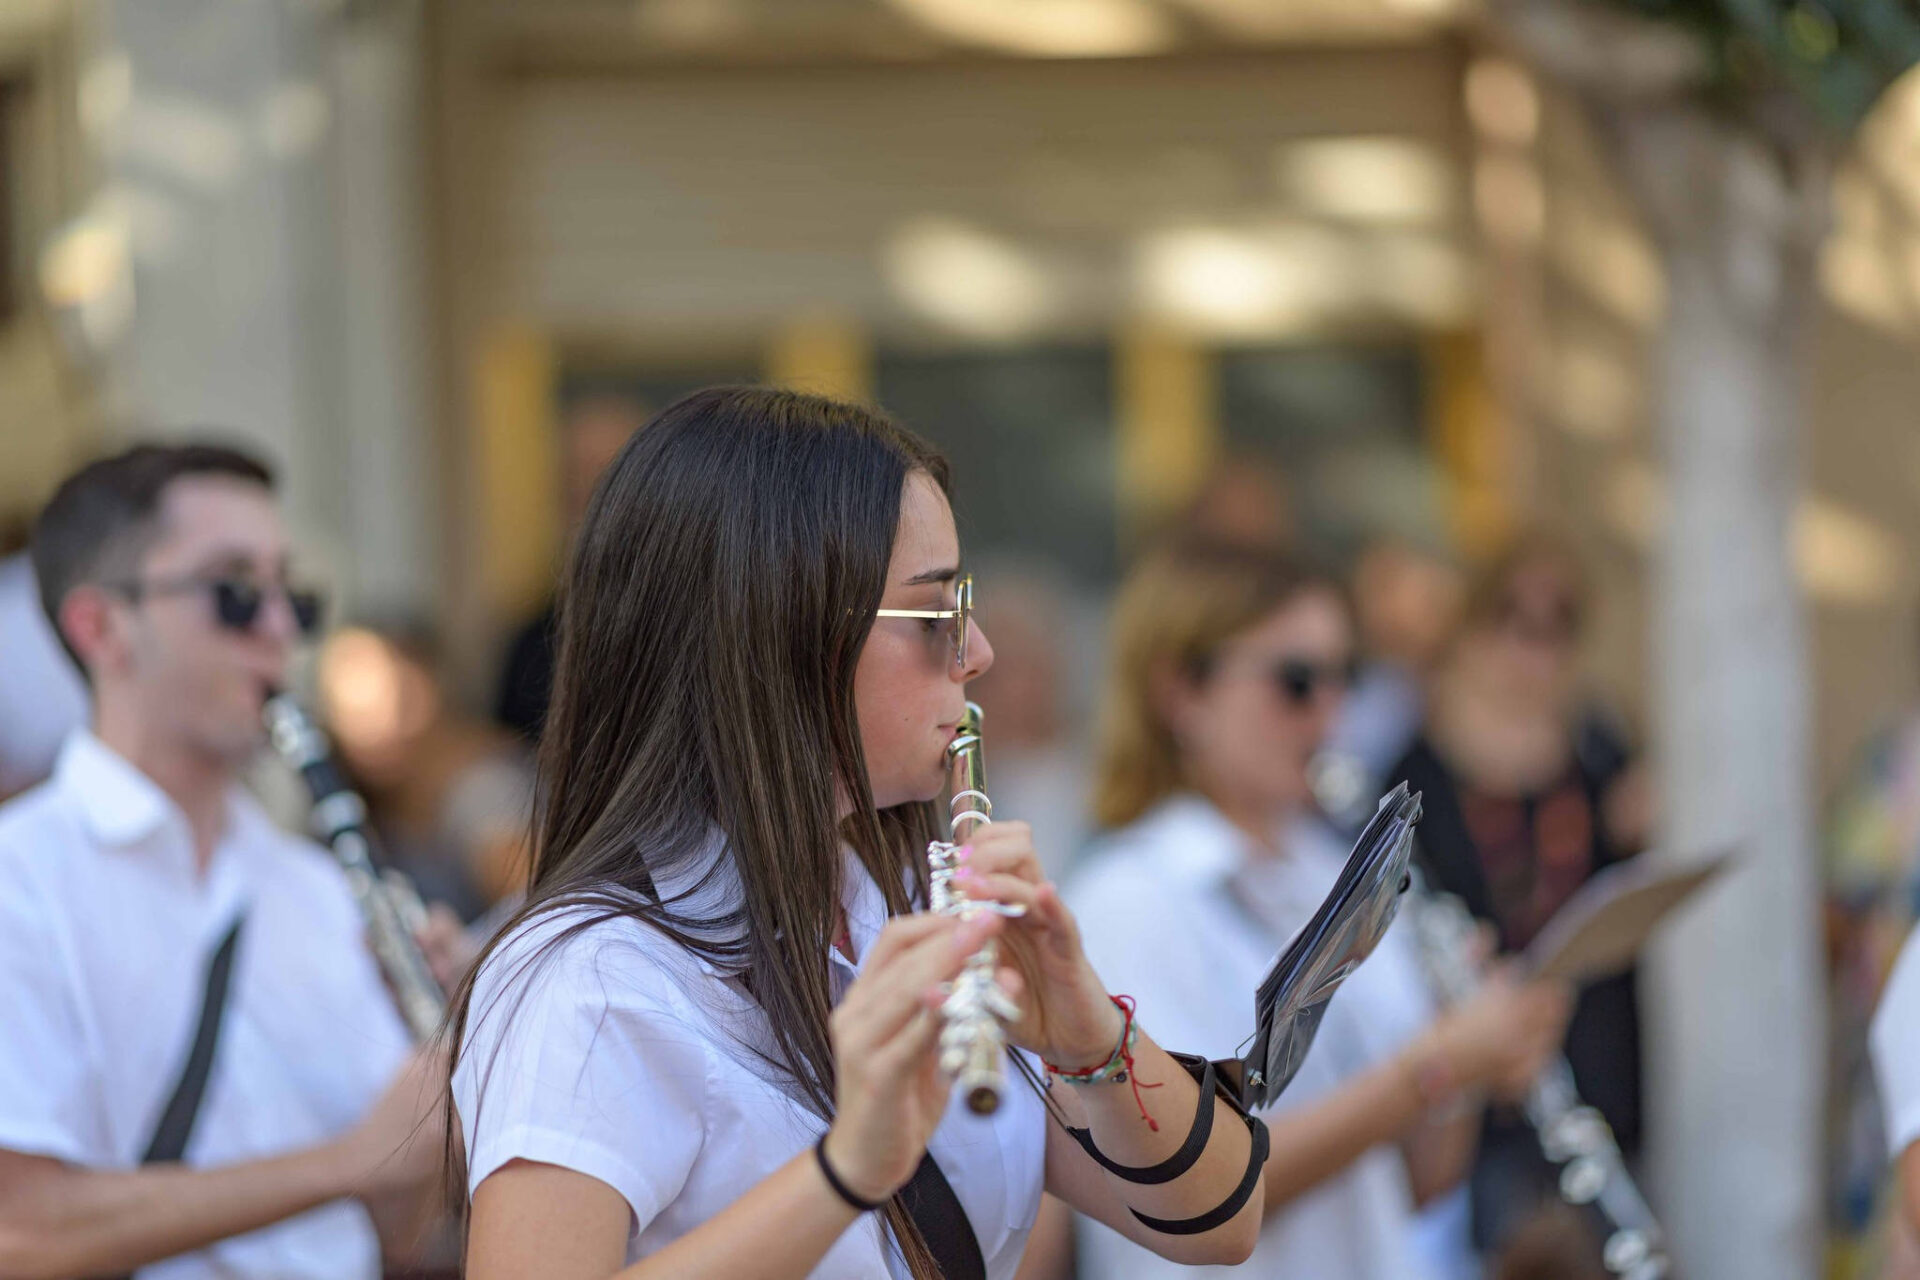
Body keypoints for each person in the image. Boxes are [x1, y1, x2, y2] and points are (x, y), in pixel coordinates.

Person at [450, 387, 1268, 1280]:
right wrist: (843, 1173)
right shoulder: (595, 977)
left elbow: (1217, 1225)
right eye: (936, 613)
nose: (979, 652)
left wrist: (1089, 1034)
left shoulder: (896, 903)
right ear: (783, 635)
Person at [1061, 537, 1569, 1280]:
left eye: (1345, 679)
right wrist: (1432, 1067)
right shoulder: (1127, 900)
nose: (1330, 714)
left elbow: (1420, 1185)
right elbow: (1194, 1182)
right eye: (1296, 682)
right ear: (1182, 691)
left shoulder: (1337, 873)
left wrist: (1467, 1062)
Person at [0, 443, 447, 1279]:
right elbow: (19, 1234)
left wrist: (449, 1060)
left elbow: (400, 1229)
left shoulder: (319, 889)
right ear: (102, 628)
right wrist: (348, 1161)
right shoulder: (18, 882)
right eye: (234, 593)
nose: (281, 632)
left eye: (294, 596)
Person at [1386, 532, 1647, 1256]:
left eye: (1560, 624)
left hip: (1599, 1077)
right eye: (1515, 619)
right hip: (1484, 1103)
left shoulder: (1597, 746)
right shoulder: (1416, 772)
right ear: (1471, 626)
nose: (1536, 650)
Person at [493, 392, 646, 741]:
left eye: (605, 473)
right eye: (574, 474)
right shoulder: (531, 641)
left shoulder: (692, 616)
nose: (587, 492)